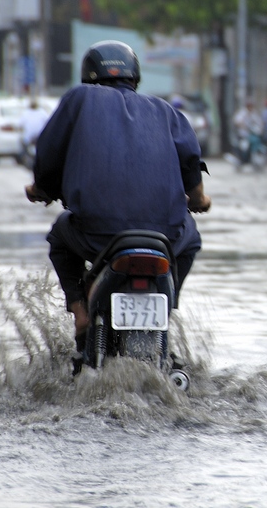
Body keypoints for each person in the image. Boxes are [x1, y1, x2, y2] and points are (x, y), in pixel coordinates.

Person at [24, 40, 211, 340]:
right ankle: (166, 307)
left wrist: (41, 189)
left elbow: (49, 154)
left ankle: (80, 311)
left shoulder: (79, 99)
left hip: (96, 235)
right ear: (135, 77)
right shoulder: (166, 110)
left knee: (60, 236)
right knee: (191, 239)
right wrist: (199, 199)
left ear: (89, 74)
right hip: (164, 237)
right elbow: (191, 164)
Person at [232, 99, 265, 165]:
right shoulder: (242, 113)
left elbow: (259, 122)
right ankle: (240, 159)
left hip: (252, 134)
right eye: (249, 105)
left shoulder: (254, 113)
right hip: (243, 135)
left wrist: (261, 126)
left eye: (251, 105)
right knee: (242, 146)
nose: (250, 107)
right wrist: (242, 125)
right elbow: (237, 121)